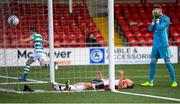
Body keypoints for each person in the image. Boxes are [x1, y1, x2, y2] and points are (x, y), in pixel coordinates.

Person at [140, 4, 177, 87]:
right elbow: (150, 29)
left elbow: (160, 27)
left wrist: (156, 20)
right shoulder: (154, 18)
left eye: (156, 10)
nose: (154, 11)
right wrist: (154, 20)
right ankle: (150, 81)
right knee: (152, 62)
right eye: (154, 10)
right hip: (155, 44)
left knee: (167, 63)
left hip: (163, 43)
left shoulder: (166, 19)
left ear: (160, 10)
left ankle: (174, 81)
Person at [53, 70, 134, 91]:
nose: (128, 80)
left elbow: (119, 87)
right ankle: (63, 88)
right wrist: (101, 76)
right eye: (129, 80)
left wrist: (122, 76)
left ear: (128, 84)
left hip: (104, 85)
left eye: (129, 82)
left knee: (87, 85)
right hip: (103, 82)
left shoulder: (123, 84)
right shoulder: (120, 80)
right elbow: (106, 80)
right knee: (82, 83)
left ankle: (65, 88)